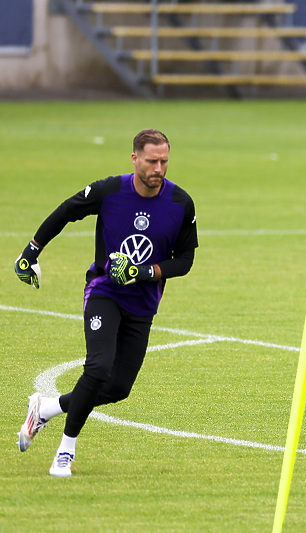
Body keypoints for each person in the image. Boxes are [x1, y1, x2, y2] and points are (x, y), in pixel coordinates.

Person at [14, 129, 198, 476]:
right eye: (151, 161)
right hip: (105, 292)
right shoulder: (110, 190)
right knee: (98, 367)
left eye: (164, 161)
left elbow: (185, 260)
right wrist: (32, 250)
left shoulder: (180, 203)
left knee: (117, 388)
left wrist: (144, 271)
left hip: (143, 304)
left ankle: (47, 408)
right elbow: (67, 210)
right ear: (134, 159)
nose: (159, 168)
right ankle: (65, 450)